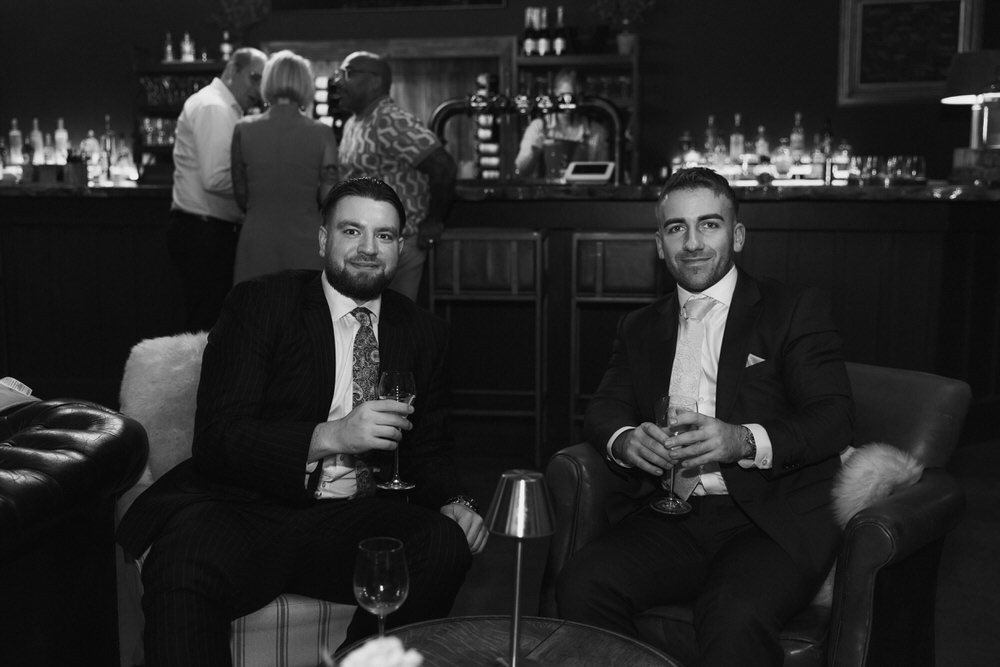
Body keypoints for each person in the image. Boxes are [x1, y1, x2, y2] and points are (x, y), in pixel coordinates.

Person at [118, 177, 488, 667]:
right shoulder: (260, 304)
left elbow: (432, 448)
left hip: (349, 521)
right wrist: (330, 436)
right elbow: (218, 438)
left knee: (444, 544)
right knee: (182, 562)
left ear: (400, 247)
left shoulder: (425, 334)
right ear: (323, 239)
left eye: (383, 236)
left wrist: (456, 503)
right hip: (244, 506)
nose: (367, 249)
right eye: (352, 231)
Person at [555, 167, 854, 666]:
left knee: (733, 614)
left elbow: (834, 417)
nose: (692, 242)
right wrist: (626, 441)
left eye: (709, 225)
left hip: (770, 519)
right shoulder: (640, 327)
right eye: (677, 228)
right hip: (675, 513)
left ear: (736, 235)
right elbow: (604, 408)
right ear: (660, 244)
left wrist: (744, 441)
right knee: (583, 584)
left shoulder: (791, 309)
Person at [335, 51, 457, 301]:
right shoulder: (355, 122)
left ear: (375, 81)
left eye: (348, 73)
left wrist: (434, 221)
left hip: (394, 247)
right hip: (365, 249)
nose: (338, 81)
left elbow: (443, 166)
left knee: (394, 329)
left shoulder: (390, 120)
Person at [168, 46, 267, 332]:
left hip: (202, 231)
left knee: (206, 321)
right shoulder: (216, 107)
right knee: (206, 326)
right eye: (254, 78)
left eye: (263, 81)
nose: (259, 89)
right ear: (233, 70)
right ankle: (201, 378)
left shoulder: (223, 107)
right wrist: (263, 190)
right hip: (204, 233)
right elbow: (217, 178)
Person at [231, 49, 339, 284]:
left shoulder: (243, 129)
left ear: (268, 81)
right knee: (302, 314)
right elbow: (329, 194)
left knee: (256, 311)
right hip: (306, 239)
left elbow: (240, 193)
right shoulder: (322, 133)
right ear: (305, 84)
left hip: (257, 236)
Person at [514, 69, 609, 180]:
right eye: (564, 98)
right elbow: (521, 170)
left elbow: (603, 177)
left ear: (582, 98)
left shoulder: (595, 131)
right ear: (555, 93)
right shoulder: (539, 127)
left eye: (574, 99)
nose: (568, 105)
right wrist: (534, 151)